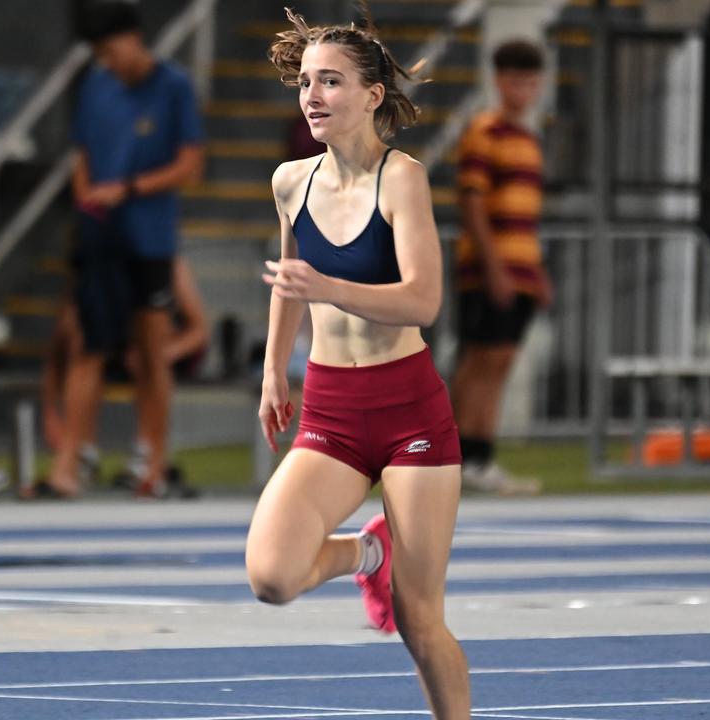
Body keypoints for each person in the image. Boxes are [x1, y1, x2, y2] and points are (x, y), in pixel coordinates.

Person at [245, 6, 470, 717]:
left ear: (373, 97)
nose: (313, 96)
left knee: (419, 621)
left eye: (332, 82)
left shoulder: (401, 178)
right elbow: (290, 277)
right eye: (307, 82)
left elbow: (423, 301)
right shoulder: (292, 182)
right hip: (332, 413)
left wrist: (330, 287)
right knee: (272, 577)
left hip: (410, 417)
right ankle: (367, 554)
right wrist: (273, 368)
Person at [47, 1, 205, 498]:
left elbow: (190, 167)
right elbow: (83, 159)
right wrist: (87, 201)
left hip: (151, 240)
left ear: (134, 37)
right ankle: (70, 462)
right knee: (88, 348)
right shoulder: (95, 86)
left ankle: (151, 462)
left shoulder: (174, 87)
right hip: (102, 242)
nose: (108, 62)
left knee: (152, 353)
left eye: (111, 50)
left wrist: (128, 189)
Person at [449, 39, 552, 496]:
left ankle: (478, 455)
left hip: (521, 266)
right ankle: (455, 457)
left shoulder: (529, 140)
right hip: (488, 267)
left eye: (530, 82)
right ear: (498, 81)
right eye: (514, 80)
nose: (522, 90)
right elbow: (472, 204)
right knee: (479, 359)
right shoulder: (483, 132)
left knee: (501, 361)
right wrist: (493, 267)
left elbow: (526, 215)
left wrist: (537, 273)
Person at [38, 254, 209, 498]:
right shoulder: (96, 265)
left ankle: (148, 456)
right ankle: (80, 452)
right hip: (117, 347)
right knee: (81, 340)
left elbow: (199, 331)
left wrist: (165, 353)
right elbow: (59, 347)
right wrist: (50, 412)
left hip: (163, 351)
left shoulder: (163, 259)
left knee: (150, 352)